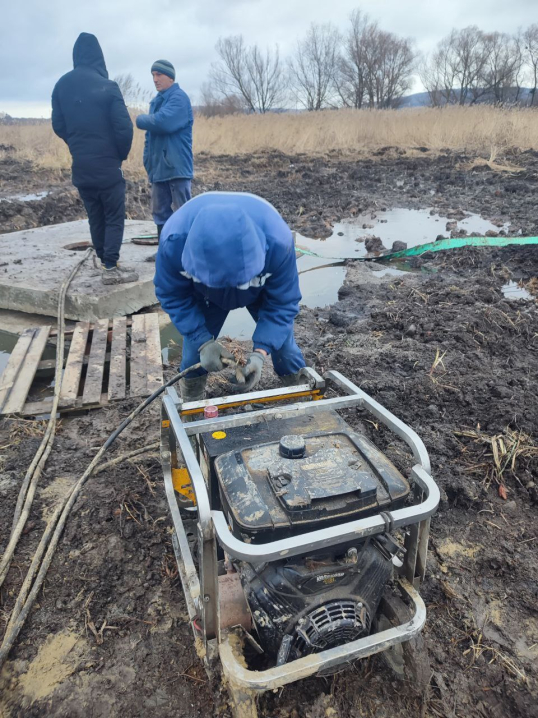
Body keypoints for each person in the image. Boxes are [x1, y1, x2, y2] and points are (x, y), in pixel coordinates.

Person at [154, 192, 306, 402]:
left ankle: (301, 395)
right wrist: (202, 341)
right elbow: (171, 293)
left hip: (258, 290)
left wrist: (261, 353)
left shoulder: (278, 242)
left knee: (284, 348)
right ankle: (192, 407)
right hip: (205, 295)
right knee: (192, 355)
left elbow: (283, 303)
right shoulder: (174, 242)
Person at [51, 33, 138, 285]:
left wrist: (76, 144)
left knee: (95, 215)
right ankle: (110, 267)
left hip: (82, 165)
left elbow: (58, 125)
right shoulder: (108, 86)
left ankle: (104, 261)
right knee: (113, 215)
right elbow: (124, 128)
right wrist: (118, 156)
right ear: (99, 56)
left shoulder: (61, 85)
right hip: (107, 164)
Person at [136, 60, 193, 259]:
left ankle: (186, 253)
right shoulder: (156, 101)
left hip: (177, 167)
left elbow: (163, 123)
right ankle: (165, 252)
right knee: (160, 213)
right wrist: (148, 161)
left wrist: (140, 119)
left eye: (159, 74)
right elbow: (150, 137)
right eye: (153, 75)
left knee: (182, 212)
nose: (155, 79)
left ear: (170, 76)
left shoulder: (179, 98)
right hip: (159, 168)